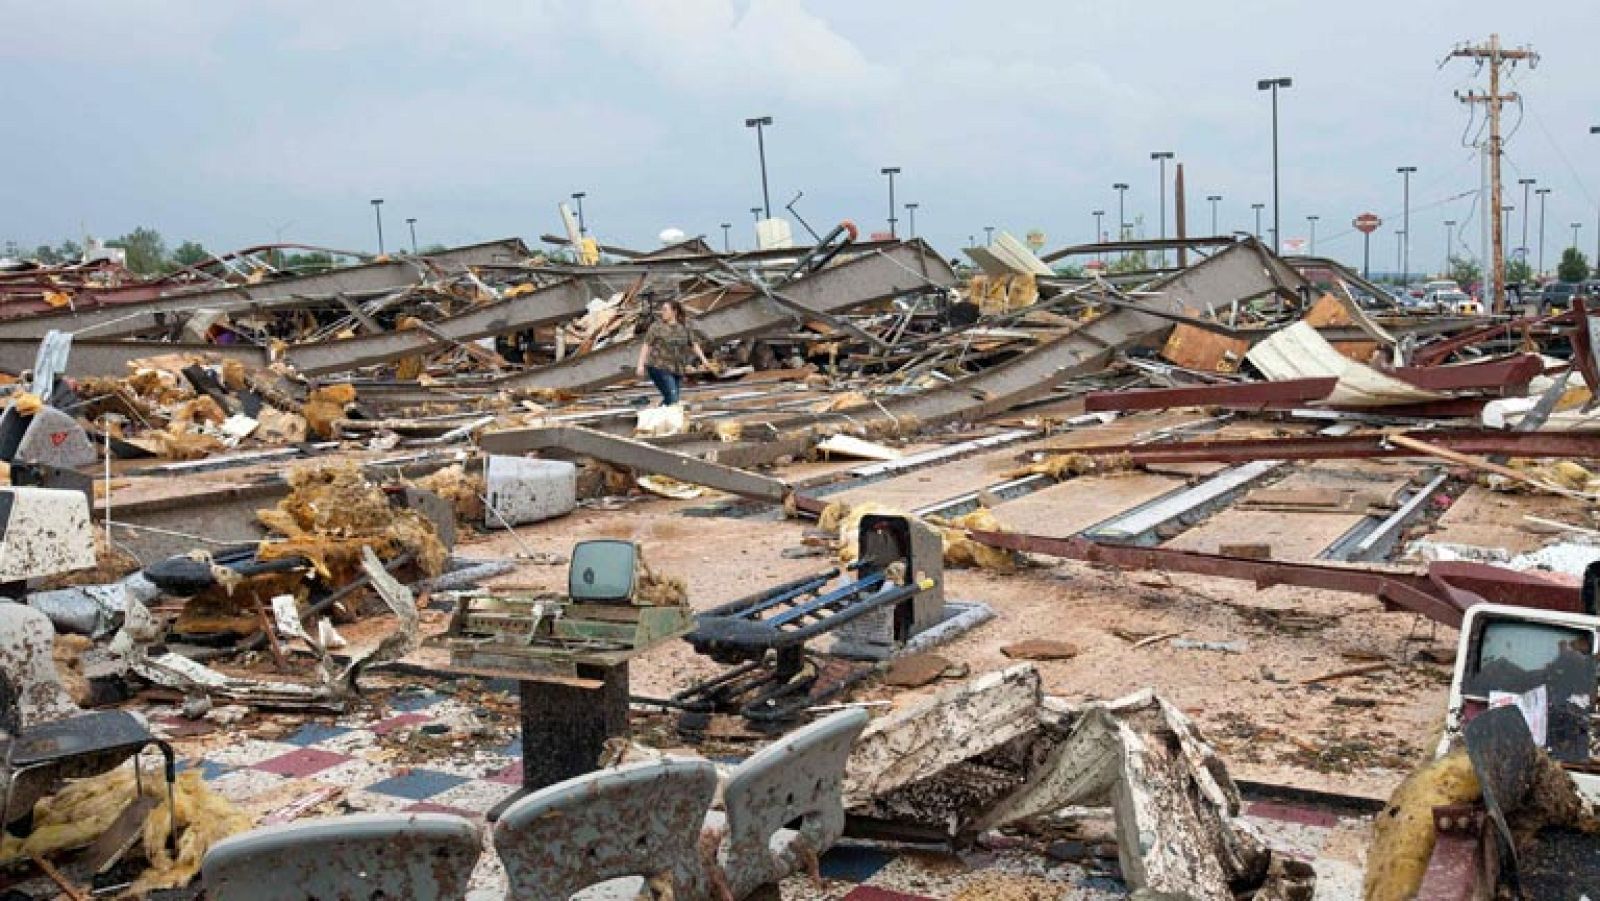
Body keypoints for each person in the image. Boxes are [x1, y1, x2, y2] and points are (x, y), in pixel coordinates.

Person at [635, 298, 711, 406]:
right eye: (662, 310)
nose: (662, 312)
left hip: (677, 369)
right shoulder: (656, 327)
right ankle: (664, 417)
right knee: (673, 398)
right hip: (659, 367)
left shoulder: (684, 327)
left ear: (674, 312)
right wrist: (640, 365)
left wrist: (704, 360)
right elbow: (646, 345)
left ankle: (660, 416)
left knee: (671, 399)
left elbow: (693, 344)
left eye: (665, 310)